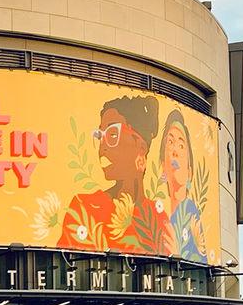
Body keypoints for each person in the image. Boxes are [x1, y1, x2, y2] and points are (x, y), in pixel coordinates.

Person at [58, 95, 174, 255]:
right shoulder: (84, 207)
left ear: (140, 146)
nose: (102, 147)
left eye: (112, 134)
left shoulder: (158, 217)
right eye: (100, 136)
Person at [158, 109, 208, 262]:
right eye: (170, 142)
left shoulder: (191, 213)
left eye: (181, 145)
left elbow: (201, 260)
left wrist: (176, 252)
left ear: (189, 172)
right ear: (162, 166)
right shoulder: (158, 214)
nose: (175, 152)